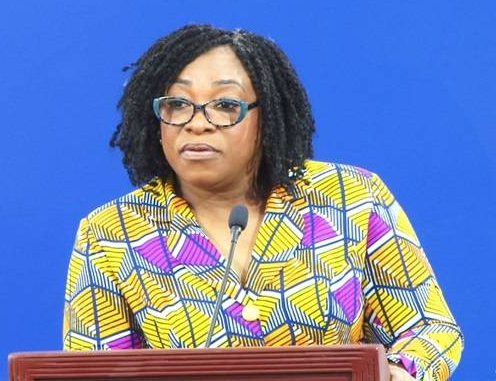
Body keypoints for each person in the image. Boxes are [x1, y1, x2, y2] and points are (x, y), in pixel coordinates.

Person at [62, 24, 463, 380]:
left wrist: (401, 373)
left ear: (266, 117)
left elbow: (430, 328)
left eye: (225, 105)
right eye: (177, 105)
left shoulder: (350, 198)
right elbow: (96, 373)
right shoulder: (112, 234)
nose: (196, 123)